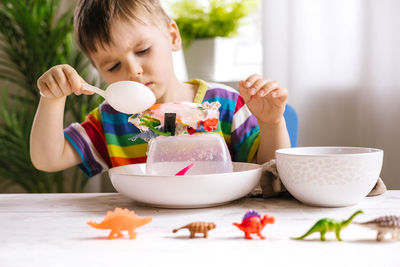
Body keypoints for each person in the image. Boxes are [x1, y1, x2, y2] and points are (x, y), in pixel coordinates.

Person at [30, 0, 290, 177]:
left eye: (143, 50)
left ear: (173, 37)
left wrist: (271, 123)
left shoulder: (227, 104)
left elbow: (268, 170)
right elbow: (48, 159)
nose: (133, 71)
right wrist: (52, 98)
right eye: (112, 66)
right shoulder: (110, 120)